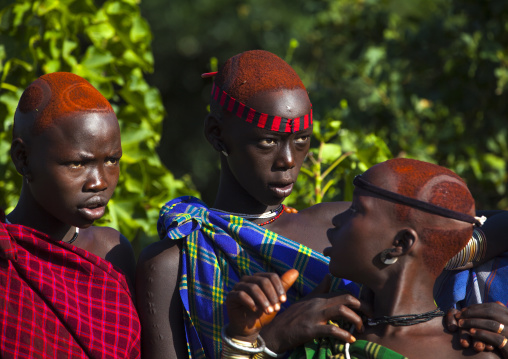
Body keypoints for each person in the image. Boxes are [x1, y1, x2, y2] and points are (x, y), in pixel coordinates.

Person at [136, 50, 508, 359]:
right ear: (217, 135)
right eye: (267, 141)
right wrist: (272, 338)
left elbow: (444, 235)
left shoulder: (345, 225)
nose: (288, 160)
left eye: (301, 141)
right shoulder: (172, 262)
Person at [223, 158, 506, 358]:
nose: (335, 219)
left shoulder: (471, 352)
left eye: (356, 210)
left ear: (400, 244)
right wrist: (254, 338)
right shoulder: (319, 332)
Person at [1, 72, 140, 358]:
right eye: (77, 163)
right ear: (22, 159)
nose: (99, 181)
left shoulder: (113, 253)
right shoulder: (5, 254)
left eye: (112, 160)